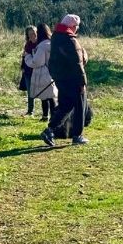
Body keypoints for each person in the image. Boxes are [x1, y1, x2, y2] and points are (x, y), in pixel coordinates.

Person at [41, 14, 89, 146]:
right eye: (77, 27)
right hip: (73, 79)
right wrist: (82, 82)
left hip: (60, 79)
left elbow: (53, 62)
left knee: (65, 106)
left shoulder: (56, 39)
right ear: (72, 26)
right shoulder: (71, 41)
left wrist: (56, 76)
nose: (77, 29)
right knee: (80, 106)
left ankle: (49, 130)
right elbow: (77, 64)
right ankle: (77, 136)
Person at [24, 23, 58, 120]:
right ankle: (50, 116)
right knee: (51, 96)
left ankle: (49, 117)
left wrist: (27, 57)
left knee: (46, 96)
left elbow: (36, 62)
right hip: (53, 72)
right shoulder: (53, 43)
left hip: (44, 73)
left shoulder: (42, 46)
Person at [20, 26, 39, 115]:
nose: (33, 35)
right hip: (28, 71)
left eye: (34, 33)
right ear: (27, 35)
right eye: (30, 34)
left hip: (39, 71)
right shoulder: (27, 45)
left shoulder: (41, 43)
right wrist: (23, 67)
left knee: (45, 92)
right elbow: (24, 57)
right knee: (30, 92)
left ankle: (46, 113)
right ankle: (30, 111)